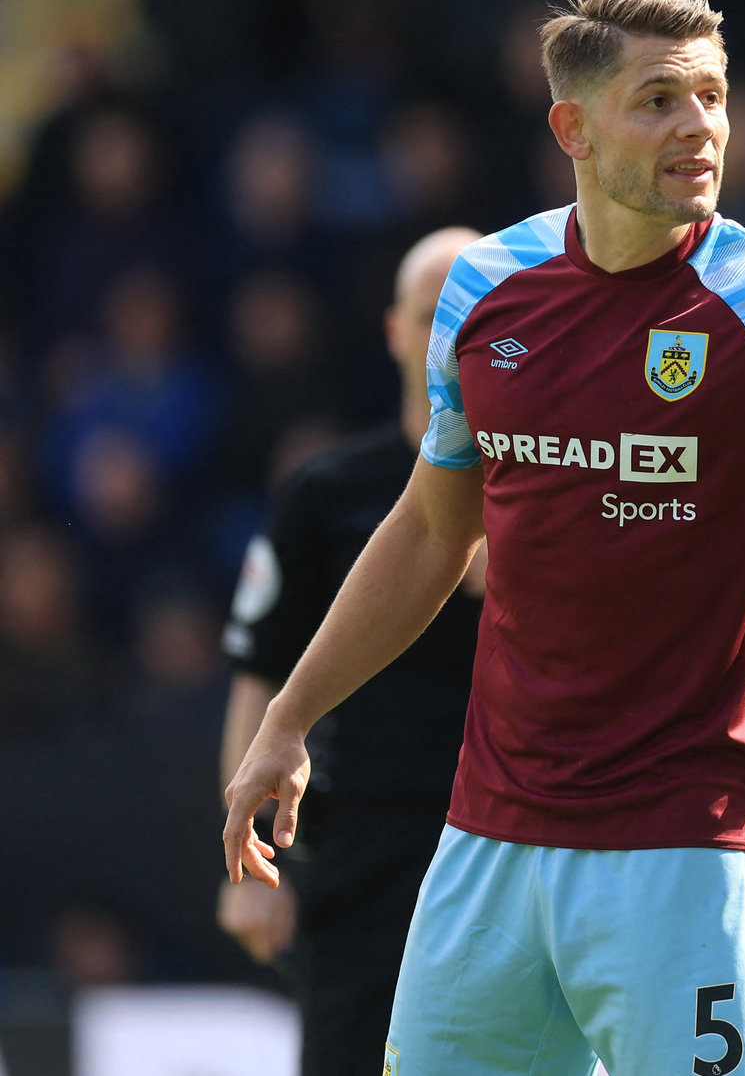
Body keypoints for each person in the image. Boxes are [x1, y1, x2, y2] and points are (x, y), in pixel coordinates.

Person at [222, 0, 745, 1076]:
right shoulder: (486, 290)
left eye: (712, 96)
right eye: (658, 99)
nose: (698, 126)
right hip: (492, 839)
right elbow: (425, 528)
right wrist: (290, 717)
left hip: (688, 847)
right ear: (573, 129)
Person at [216, 226, 483, 1076]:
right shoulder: (327, 494)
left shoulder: (561, 482)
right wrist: (250, 867)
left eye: (470, 309)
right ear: (395, 332)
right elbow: (261, 673)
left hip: (512, 832)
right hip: (362, 841)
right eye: (429, 310)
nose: (449, 328)